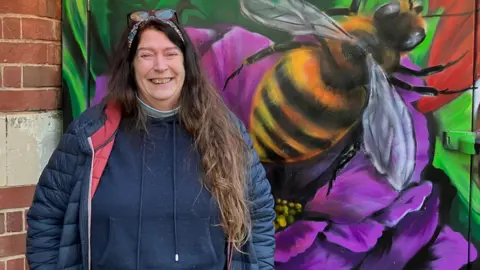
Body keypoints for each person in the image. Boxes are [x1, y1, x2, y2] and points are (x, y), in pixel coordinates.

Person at [25, 8, 275, 270]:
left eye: (170, 54)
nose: (160, 66)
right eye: (146, 55)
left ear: (186, 63)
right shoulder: (90, 134)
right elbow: (46, 218)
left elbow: (258, 216)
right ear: (130, 66)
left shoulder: (225, 132)